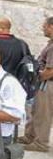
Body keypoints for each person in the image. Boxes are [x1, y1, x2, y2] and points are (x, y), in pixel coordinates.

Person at [19, 16, 53, 152]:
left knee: (43, 114)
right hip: (44, 83)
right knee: (35, 110)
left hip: (47, 83)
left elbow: (50, 71)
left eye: (44, 26)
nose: (42, 28)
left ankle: (41, 143)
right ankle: (30, 136)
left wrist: (36, 77)